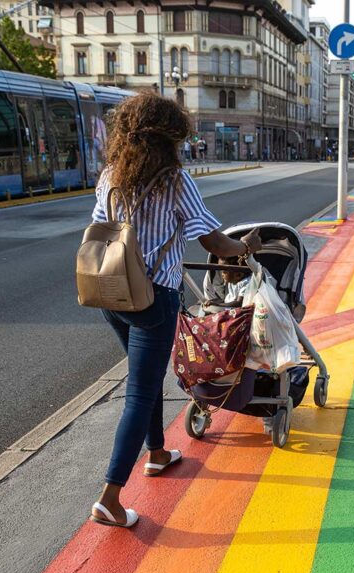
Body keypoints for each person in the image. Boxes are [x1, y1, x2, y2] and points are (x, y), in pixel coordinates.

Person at [88, 93, 263, 528]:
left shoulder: (111, 175)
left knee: (141, 378)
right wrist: (245, 247)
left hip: (111, 293)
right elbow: (214, 242)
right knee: (142, 391)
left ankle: (158, 452)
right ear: (169, 140)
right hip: (153, 299)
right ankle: (110, 497)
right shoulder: (175, 182)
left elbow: (98, 227)